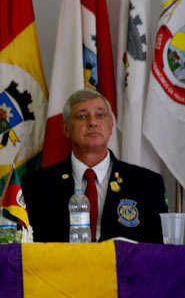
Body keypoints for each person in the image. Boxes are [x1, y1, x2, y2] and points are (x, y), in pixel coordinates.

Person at [23, 89, 168, 243]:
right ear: (66, 128)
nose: (92, 122)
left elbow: (159, 252)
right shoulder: (36, 185)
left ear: (111, 125)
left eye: (100, 115)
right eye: (82, 116)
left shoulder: (148, 184)